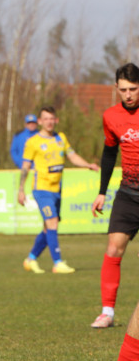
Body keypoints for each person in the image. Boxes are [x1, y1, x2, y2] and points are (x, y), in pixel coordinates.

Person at [18, 106, 98, 274]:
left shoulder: (61, 138)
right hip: (41, 190)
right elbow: (25, 167)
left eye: (51, 118)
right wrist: (21, 190)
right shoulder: (33, 142)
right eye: (45, 118)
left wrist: (88, 165)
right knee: (52, 221)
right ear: (40, 121)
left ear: (56, 120)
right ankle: (57, 262)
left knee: (49, 227)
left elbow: (72, 156)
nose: (49, 121)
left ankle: (31, 259)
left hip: (57, 189)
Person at [90, 63, 139, 329]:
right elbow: (109, 153)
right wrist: (101, 192)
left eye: (133, 89)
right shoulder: (111, 116)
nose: (129, 94)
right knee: (113, 249)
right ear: (116, 89)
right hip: (128, 194)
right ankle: (107, 312)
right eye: (124, 90)